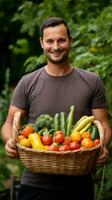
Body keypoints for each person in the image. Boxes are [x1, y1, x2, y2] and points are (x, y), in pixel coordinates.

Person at [1, 17, 112, 200]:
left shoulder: (92, 81)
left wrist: (102, 147)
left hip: (79, 183)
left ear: (70, 41)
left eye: (61, 40)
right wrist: (9, 141)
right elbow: (8, 123)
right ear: (41, 43)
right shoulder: (27, 82)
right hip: (35, 184)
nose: (56, 46)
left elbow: (103, 124)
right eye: (50, 41)